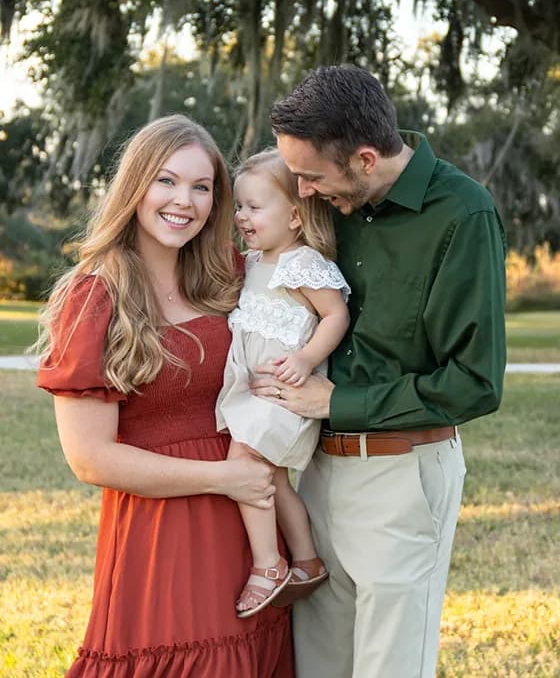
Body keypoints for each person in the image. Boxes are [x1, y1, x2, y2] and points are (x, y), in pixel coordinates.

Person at [251, 65, 507, 678]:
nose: (302, 191)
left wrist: (335, 403)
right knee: (318, 665)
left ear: (366, 159)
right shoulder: (328, 203)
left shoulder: (462, 214)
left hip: (402, 475)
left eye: (312, 177)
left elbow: (475, 382)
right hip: (316, 473)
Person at [36, 116, 294, 677]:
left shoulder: (228, 275)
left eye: (202, 187)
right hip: (162, 536)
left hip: (250, 524)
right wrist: (225, 478)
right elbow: (90, 458)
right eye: (167, 181)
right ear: (135, 185)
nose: (184, 201)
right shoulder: (94, 296)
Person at [215, 149, 350, 618]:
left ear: (295, 216)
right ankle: (307, 561)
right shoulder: (253, 261)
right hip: (257, 393)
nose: (242, 216)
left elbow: (336, 315)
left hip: (286, 393)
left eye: (255, 207)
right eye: (239, 206)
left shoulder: (301, 263)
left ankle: (268, 565)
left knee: (241, 463)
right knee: (273, 478)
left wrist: (306, 358)